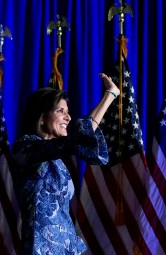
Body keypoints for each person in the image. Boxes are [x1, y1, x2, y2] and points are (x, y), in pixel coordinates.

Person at [11, 73, 119, 255]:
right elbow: (74, 139)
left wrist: (111, 94)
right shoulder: (26, 147)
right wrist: (108, 96)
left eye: (68, 112)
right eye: (60, 111)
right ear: (42, 117)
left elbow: (78, 138)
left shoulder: (58, 159)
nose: (68, 118)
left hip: (67, 248)